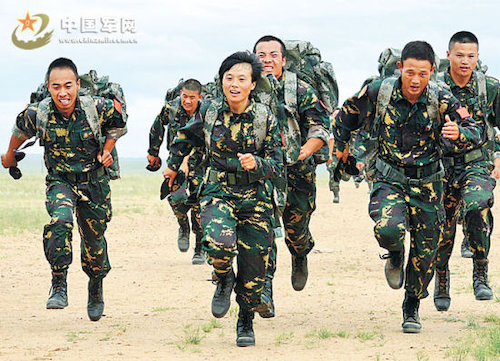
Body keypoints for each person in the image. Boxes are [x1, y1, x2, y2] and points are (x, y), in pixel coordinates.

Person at [332, 41, 480, 333]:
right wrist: (342, 152)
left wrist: (459, 132)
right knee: (388, 229)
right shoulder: (378, 92)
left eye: (423, 74)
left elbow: (474, 130)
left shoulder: (442, 97)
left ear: (432, 72)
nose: (415, 80)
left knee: (426, 253)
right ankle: (395, 252)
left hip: (428, 184)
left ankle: (411, 305)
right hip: (390, 179)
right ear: (400, 68)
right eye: (410, 72)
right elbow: (344, 119)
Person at [162, 51, 283, 347]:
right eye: (229, 78)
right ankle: (223, 275)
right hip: (218, 191)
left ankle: (245, 320)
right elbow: (184, 138)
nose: (234, 84)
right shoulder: (210, 112)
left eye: (242, 79)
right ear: (222, 81)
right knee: (218, 245)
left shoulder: (264, 118)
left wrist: (258, 163)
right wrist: (173, 164)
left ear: (252, 84)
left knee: (255, 269)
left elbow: (278, 162)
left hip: (255, 198)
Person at [1, 57, 127, 321]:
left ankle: (95, 285)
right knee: (60, 222)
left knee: (94, 241)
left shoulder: (96, 107)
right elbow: (19, 130)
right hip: (61, 181)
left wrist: (106, 151)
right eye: (56, 86)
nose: (63, 93)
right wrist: (10, 155)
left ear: (77, 85)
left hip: (94, 183)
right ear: (49, 87)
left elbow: (118, 124)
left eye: (68, 85)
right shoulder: (39, 113)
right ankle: (59, 281)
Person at [253, 35, 331, 301]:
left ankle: (300, 253)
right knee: (263, 228)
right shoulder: (247, 88)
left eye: (273, 55)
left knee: (296, 229)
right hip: (261, 172)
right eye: (261, 55)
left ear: (284, 61)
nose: (267, 60)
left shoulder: (299, 89)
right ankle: (265, 287)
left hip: (298, 171)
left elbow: (320, 125)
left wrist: (305, 151)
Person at [433, 31, 499, 311]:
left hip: (477, 162)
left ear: (477, 57)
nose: (465, 61)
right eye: (459, 55)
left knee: (478, 205)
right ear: (448, 55)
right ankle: (442, 278)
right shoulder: (434, 87)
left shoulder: (490, 88)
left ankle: (480, 271)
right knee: (442, 227)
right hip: (440, 165)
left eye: (470, 56)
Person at [147, 79, 206, 264]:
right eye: (184, 96)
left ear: (200, 97)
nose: (187, 101)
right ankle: (183, 226)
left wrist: (187, 162)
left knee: (198, 204)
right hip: (175, 160)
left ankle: (199, 247)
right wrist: (153, 152)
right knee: (176, 197)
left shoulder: (206, 112)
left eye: (192, 97)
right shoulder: (172, 108)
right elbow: (158, 125)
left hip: (200, 162)